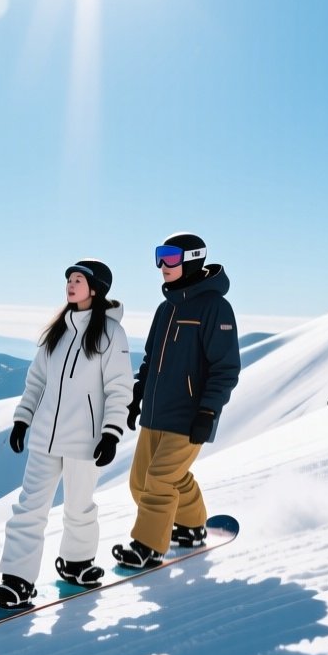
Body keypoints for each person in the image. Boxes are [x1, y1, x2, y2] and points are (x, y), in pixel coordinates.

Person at [0, 258, 135, 609]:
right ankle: (17, 580)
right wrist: (23, 419)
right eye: (69, 279)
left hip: (85, 440)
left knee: (79, 507)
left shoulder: (111, 333)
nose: (70, 284)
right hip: (44, 439)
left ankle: (77, 564)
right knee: (29, 508)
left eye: (78, 280)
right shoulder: (58, 330)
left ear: (95, 288)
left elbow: (120, 388)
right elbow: (37, 380)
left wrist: (112, 432)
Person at [111, 232, 241, 570]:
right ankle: (191, 526)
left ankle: (148, 546)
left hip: (188, 415)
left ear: (193, 259)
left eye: (170, 257)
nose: (162, 265)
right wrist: (138, 393)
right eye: (160, 256)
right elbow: (151, 358)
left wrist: (208, 410)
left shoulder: (215, 308)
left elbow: (225, 368)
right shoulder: (166, 308)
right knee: (142, 481)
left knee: (159, 480)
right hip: (156, 413)